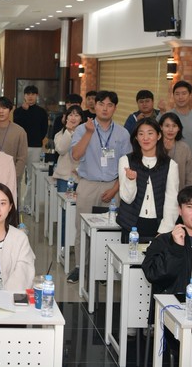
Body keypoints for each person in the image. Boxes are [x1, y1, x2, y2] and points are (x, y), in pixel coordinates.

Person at [67, 90, 132, 283]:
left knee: (110, 230)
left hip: (113, 186)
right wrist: (89, 133)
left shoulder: (122, 133)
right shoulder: (82, 129)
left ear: (115, 108)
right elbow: (75, 155)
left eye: (110, 105)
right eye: (101, 104)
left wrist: (115, 189)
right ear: (94, 106)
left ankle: (105, 271)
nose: (105, 108)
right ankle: (80, 266)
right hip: (88, 184)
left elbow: (126, 166)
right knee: (82, 228)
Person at [117, 118, 179, 242]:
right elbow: (127, 198)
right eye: (141, 134)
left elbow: (172, 200)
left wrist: (164, 230)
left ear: (159, 136)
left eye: (150, 133)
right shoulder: (126, 161)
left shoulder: (170, 165)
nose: (145, 138)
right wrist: (130, 180)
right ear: (136, 137)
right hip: (131, 224)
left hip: (158, 225)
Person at [13, 85, 49, 214]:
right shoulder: (18, 111)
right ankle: (16, 204)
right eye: (28, 94)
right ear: (24, 96)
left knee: (32, 177)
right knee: (17, 176)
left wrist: (37, 139)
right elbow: (16, 126)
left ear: (37, 96)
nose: (30, 96)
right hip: (19, 146)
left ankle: (27, 204)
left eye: (33, 94)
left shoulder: (41, 112)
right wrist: (24, 111)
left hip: (35, 147)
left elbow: (44, 130)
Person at [164, 80, 192, 166]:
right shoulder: (166, 117)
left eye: (184, 93)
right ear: (173, 96)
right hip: (168, 166)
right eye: (177, 94)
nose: (180, 97)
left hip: (191, 167)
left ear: (190, 96)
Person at [53, 105, 85, 192]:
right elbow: (61, 150)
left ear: (81, 119)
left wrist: (79, 170)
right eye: (70, 115)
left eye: (77, 115)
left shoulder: (86, 135)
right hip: (64, 177)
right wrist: (68, 132)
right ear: (66, 118)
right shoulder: (60, 134)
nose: (73, 118)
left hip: (81, 177)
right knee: (63, 200)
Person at [159, 112, 192, 187]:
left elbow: (190, 175)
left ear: (179, 128)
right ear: (161, 127)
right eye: (167, 126)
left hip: (180, 191)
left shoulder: (184, 148)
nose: (171, 130)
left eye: (174, 126)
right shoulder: (154, 146)